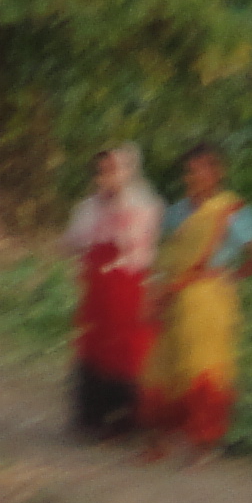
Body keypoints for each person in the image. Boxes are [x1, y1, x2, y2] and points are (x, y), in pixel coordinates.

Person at [139, 142, 252, 461]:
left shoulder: (231, 210)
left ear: (217, 172)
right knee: (162, 366)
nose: (194, 177)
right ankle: (161, 439)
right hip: (173, 296)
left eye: (201, 169)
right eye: (189, 171)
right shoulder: (176, 213)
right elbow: (166, 256)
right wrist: (155, 292)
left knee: (204, 367)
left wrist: (233, 275)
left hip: (210, 299)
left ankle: (203, 441)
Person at [59, 144, 163, 441]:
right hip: (98, 288)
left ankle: (124, 418)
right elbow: (74, 241)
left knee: (125, 349)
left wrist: (117, 204)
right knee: (94, 347)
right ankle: (91, 416)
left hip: (127, 285)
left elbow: (139, 246)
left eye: (111, 170)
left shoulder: (143, 203)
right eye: (100, 171)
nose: (104, 176)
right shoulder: (88, 207)